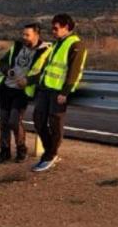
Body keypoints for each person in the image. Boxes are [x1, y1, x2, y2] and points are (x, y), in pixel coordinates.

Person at [31, 13, 87, 172]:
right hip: (46, 88)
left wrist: (66, 92)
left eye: (56, 28)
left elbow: (74, 70)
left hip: (59, 92)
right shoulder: (56, 44)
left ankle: (50, 155)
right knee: (38, 120)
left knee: (55, 124)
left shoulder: (76, 44)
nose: (53, 31)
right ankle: (50, 152)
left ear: (66, 27)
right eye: (52, 28)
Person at [0, 23, 51, 163]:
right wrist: (8, 71)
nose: (24, 37)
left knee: (14, 121)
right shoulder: (18, 46)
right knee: (4, 122)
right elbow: (3, 62)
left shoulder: (45, 51)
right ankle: (4, 152)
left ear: (37, 35)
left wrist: (28, 80)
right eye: (23, 34)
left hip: (22, 92)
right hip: (6, 88)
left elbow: (45, 73)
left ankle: (21, 149)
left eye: (27, 35)